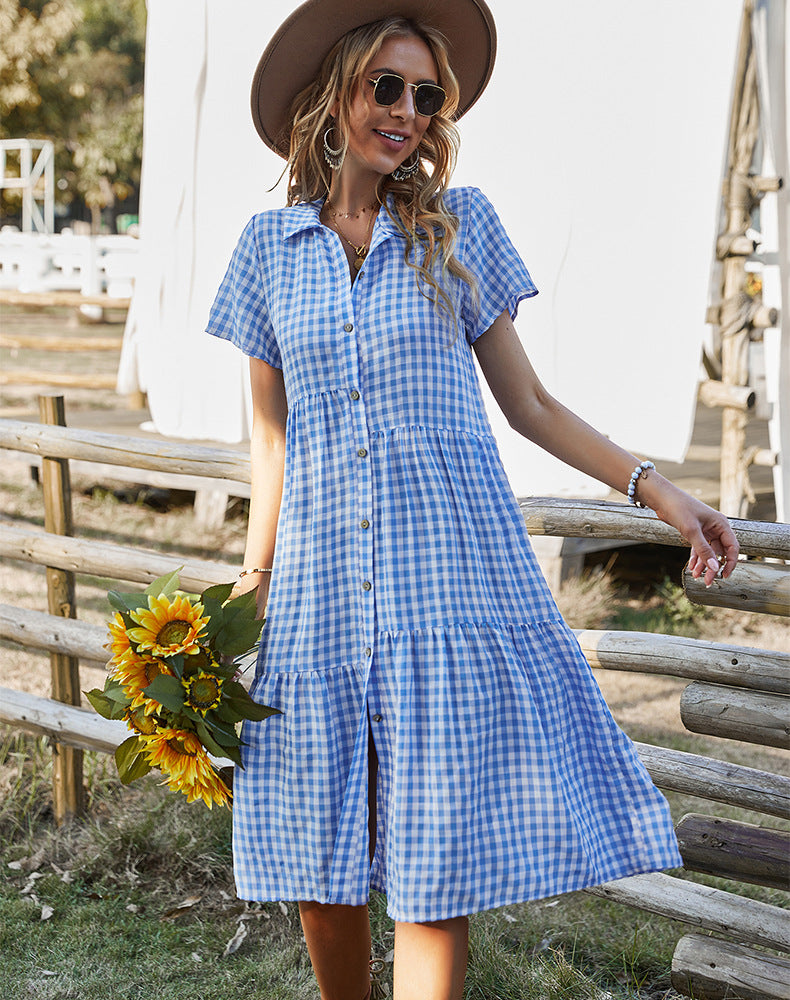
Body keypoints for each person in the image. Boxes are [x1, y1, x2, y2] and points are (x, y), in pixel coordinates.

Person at [207, 2, 739, 997]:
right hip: (317, 591)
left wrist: (659, 491)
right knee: (321, 859)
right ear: (334, 96)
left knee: (429, 867)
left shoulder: (462, 226)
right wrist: (251, 586)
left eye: (425, 95)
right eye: (386, 88)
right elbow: (271, 440)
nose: (407, 111)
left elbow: (530, 404)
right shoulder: (265, 251)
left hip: (443, 586)